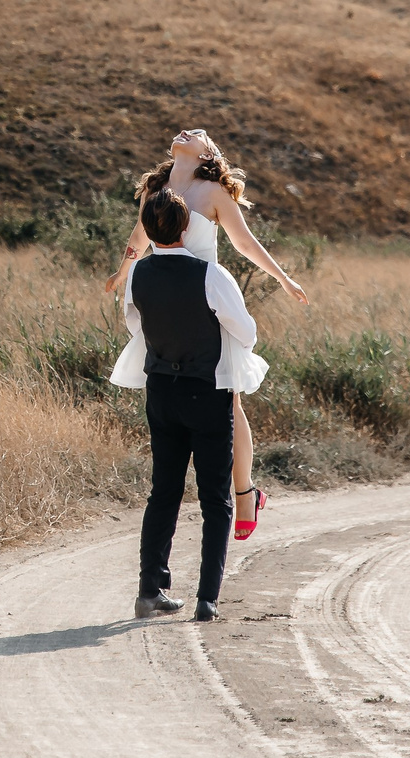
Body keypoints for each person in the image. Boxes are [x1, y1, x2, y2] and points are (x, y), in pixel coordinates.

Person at [110, 129, 308, 545]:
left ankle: (244, 493)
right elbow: (138, 237)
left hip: (207, 299)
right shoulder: (155, 188)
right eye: (187, 131)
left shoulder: (214, 191)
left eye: (200, 134)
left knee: (228, 398)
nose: (189, 132)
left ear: (207, 154)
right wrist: (123, 271)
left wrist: (285, 278)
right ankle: (208, 493)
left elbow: (244, 242)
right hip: (168, 301)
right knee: (175, 388)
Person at [123, 184, 248, 619]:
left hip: (160, 390)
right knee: (215, 498)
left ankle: (148, 592)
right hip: (207, 393)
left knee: (164, 492)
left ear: (148, 229)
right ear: (187, 225)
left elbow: (133, 322)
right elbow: (247, 333)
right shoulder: (211, 275)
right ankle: (207, 601)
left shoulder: (137, 274)